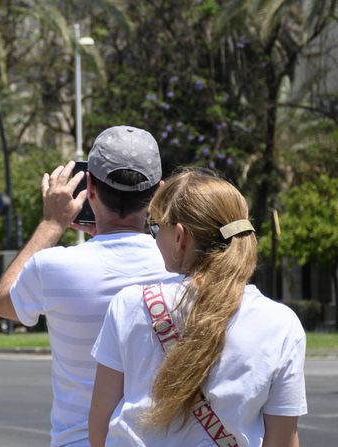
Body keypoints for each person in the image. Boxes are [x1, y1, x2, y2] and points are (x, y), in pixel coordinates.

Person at [89, 169, 307, 447]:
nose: (154, 237)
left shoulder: (130, 304)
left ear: (180, 237)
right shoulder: (282, 323)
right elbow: (283, 440)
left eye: (156, 227)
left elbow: (99, 426)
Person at [0, 125, 171, 447]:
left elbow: (4, 301)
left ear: (89, 187)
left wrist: (51, 224)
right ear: (158, 191)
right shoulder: (180, 267)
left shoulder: (55, 268)